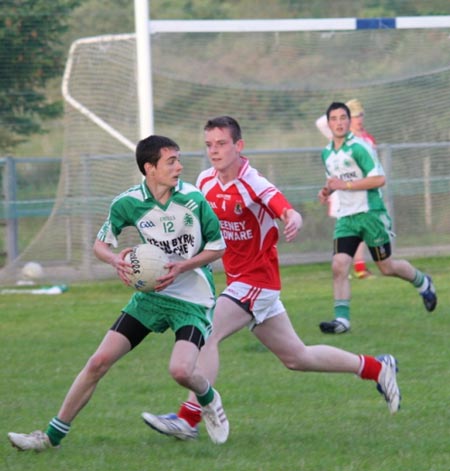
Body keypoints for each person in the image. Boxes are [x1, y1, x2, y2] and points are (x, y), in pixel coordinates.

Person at [141, 116, 401, 445]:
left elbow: (285, 209)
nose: (214, 151)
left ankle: (188, 419)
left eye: (222, 144)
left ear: (239, 146)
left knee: (208, 331)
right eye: (209, 145)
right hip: (240, 283)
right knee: (297, 357)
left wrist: (292, 219)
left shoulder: (254, 182)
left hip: (258, 282)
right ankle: (377, 368)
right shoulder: (205, 181)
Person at [7, 134, 229, 451]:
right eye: (171, 161)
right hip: (151, 298)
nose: (179, 167)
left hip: (192, 299)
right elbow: (100, 245)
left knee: (181, 371)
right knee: (98, 361)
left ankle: (208, 398)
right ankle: (49, 438)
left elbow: (217, 247)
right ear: (149, 168)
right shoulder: (128, 203)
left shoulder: (193, 199)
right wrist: (116, 260)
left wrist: (181, 266)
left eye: (179, 160)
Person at [317, 102, 437, 334]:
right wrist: (327, 191)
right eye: (334, 118)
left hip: (370, 214)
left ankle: (422, 281)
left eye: (344, 118)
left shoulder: (360, 147)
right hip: (347, 218)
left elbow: (379, 179)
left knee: (386, 267)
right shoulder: (327, 153)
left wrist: (346, 185)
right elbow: (335, 180)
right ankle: (342, 321)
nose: (339, 122)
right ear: (329, 123)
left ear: (349, 121)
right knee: (339, 265)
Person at [316, 99, 375, 279]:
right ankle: (350, 267)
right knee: (345, 231)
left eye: (360, 115)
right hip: (342, 196)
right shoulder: (339, 137)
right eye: (354, 115)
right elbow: (321, 122)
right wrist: (343, 109)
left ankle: (356, 267)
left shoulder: (365, 140)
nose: (358, 119)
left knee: (362, 235)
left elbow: (373, 171)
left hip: (363, 196)